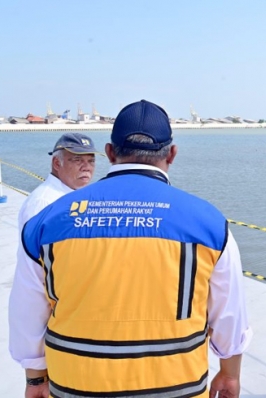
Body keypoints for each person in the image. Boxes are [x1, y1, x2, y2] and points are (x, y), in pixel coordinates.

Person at [9, 100, 252, 398]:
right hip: (178, 388)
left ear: (110, 152)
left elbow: (26, 316)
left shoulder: (47, 222)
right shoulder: (209, 224)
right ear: (172, 154)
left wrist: (35, 380)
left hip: (77, 387)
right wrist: (229, 374)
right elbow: (230, 316)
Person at [17, 132, 97, 228]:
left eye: (91, 161)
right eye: (77, 160)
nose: (87, 167)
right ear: (57, 163)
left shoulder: (78, 193)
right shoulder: (44, 202)